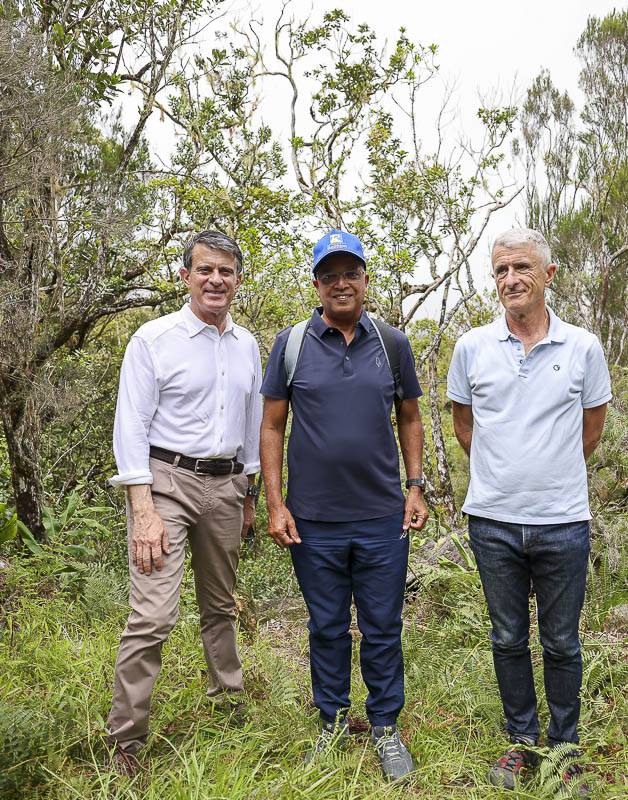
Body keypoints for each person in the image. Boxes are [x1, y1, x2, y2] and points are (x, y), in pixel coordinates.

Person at [260, 229, 429, 783]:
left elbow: (409, 416)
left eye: (349, 273)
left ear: (364, 279)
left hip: (383, 516)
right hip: (312, 521)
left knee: (383, 626)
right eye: (329, 275)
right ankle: (331, 722)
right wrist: (276, 504)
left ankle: (385, 728)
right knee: (327, 626)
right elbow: (271, 426)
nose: (340, 284)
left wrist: (415, 485)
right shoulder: (290, 345)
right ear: (316, 283)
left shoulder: (392, 343)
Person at [446, 228, 610, 794]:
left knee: (562, 642)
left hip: (563, 521)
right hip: (491, 520)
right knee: (508, 637)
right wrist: (504, 473)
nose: (510, 280)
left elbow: (592, 430)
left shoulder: (584, 347)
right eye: (500, 271)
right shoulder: (471, 348)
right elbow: (464, 425)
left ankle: (565, 752)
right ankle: (521, 743)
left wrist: (549, 471)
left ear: (549, 273)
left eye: (520, 268)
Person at [105, 230, 262, 775]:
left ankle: (229, 702)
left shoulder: (246, 345)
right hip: (165, 482)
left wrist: (249, 497)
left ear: (238, 280)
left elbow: (250, 423)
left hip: (226, 486)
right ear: (186, 277)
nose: (215, 280)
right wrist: (143, 510)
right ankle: (126, 742)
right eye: (205, 270)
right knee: (152, 615)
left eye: (226, 272)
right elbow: (131, 428)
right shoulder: (154, 339)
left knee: (220, 606)